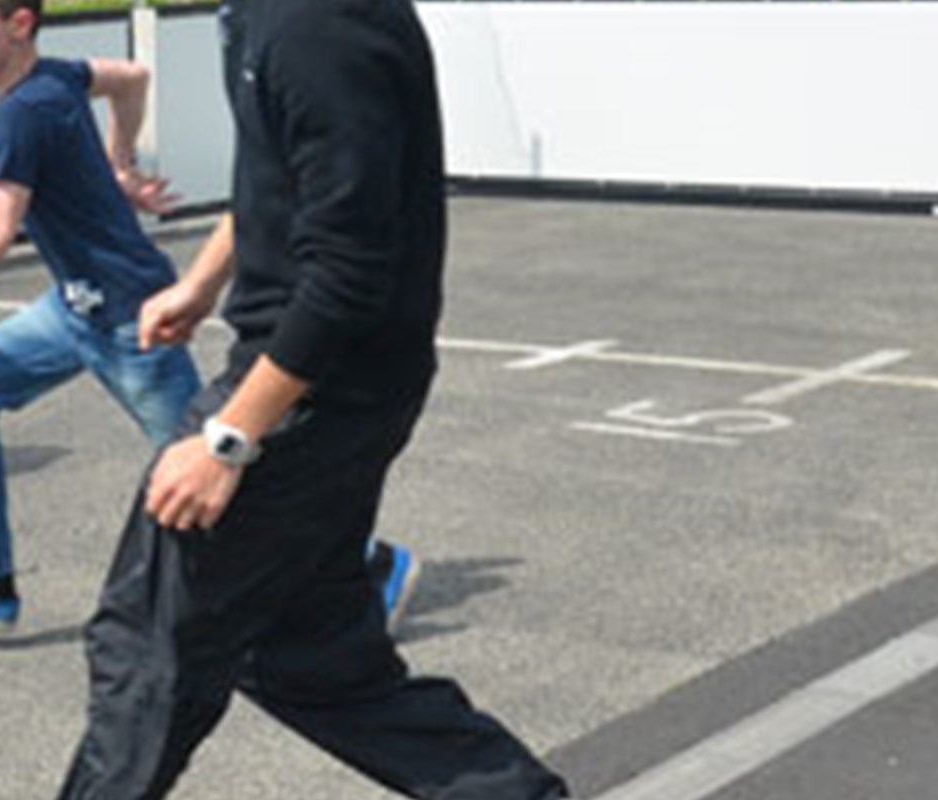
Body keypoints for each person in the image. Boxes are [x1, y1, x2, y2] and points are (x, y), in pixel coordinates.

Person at [50, 0, 566, 796]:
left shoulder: (317, 28)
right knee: (309, 661)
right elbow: (280, 182)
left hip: (310, 393)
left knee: (147, 648)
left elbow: (349, 271)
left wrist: (228, 440)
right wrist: (201, 282)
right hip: (324, 381)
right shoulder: (265, 17)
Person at [0, 0, 414, 633]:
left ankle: (368, 562)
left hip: (129, 319)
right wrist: (120, 161)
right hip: (73, 306)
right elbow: (133, 77)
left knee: (215, 468)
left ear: (19, 25)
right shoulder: (58, 76)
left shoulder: (23, 112)